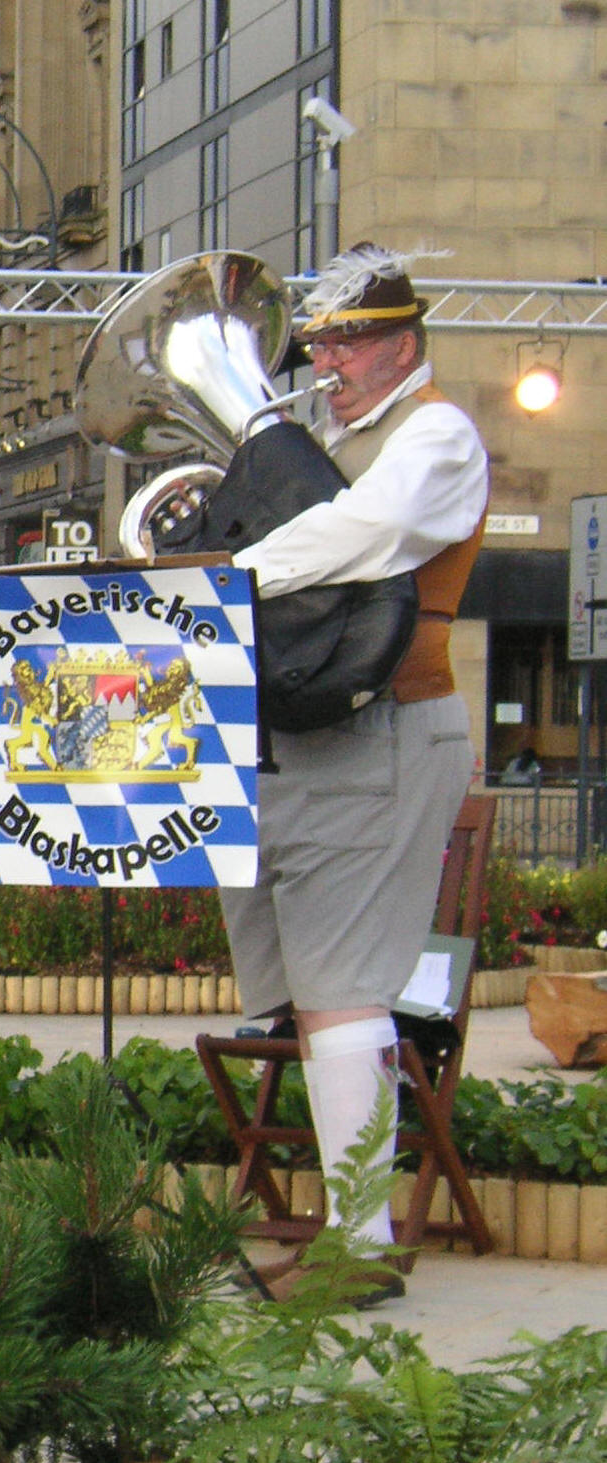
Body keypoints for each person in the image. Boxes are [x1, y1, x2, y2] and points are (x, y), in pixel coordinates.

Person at [223, 243, 488, 1303]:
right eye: (318, 344)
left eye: (345, 343)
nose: (324, 362)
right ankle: (344, 1228)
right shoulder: (334, 439)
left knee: (340, 996)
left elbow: (366, 533)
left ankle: (360, 1245)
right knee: (307, 998)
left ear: (401, 345)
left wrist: (221, 575)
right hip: (303, 736)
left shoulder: (434, 433)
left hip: (383, 729)